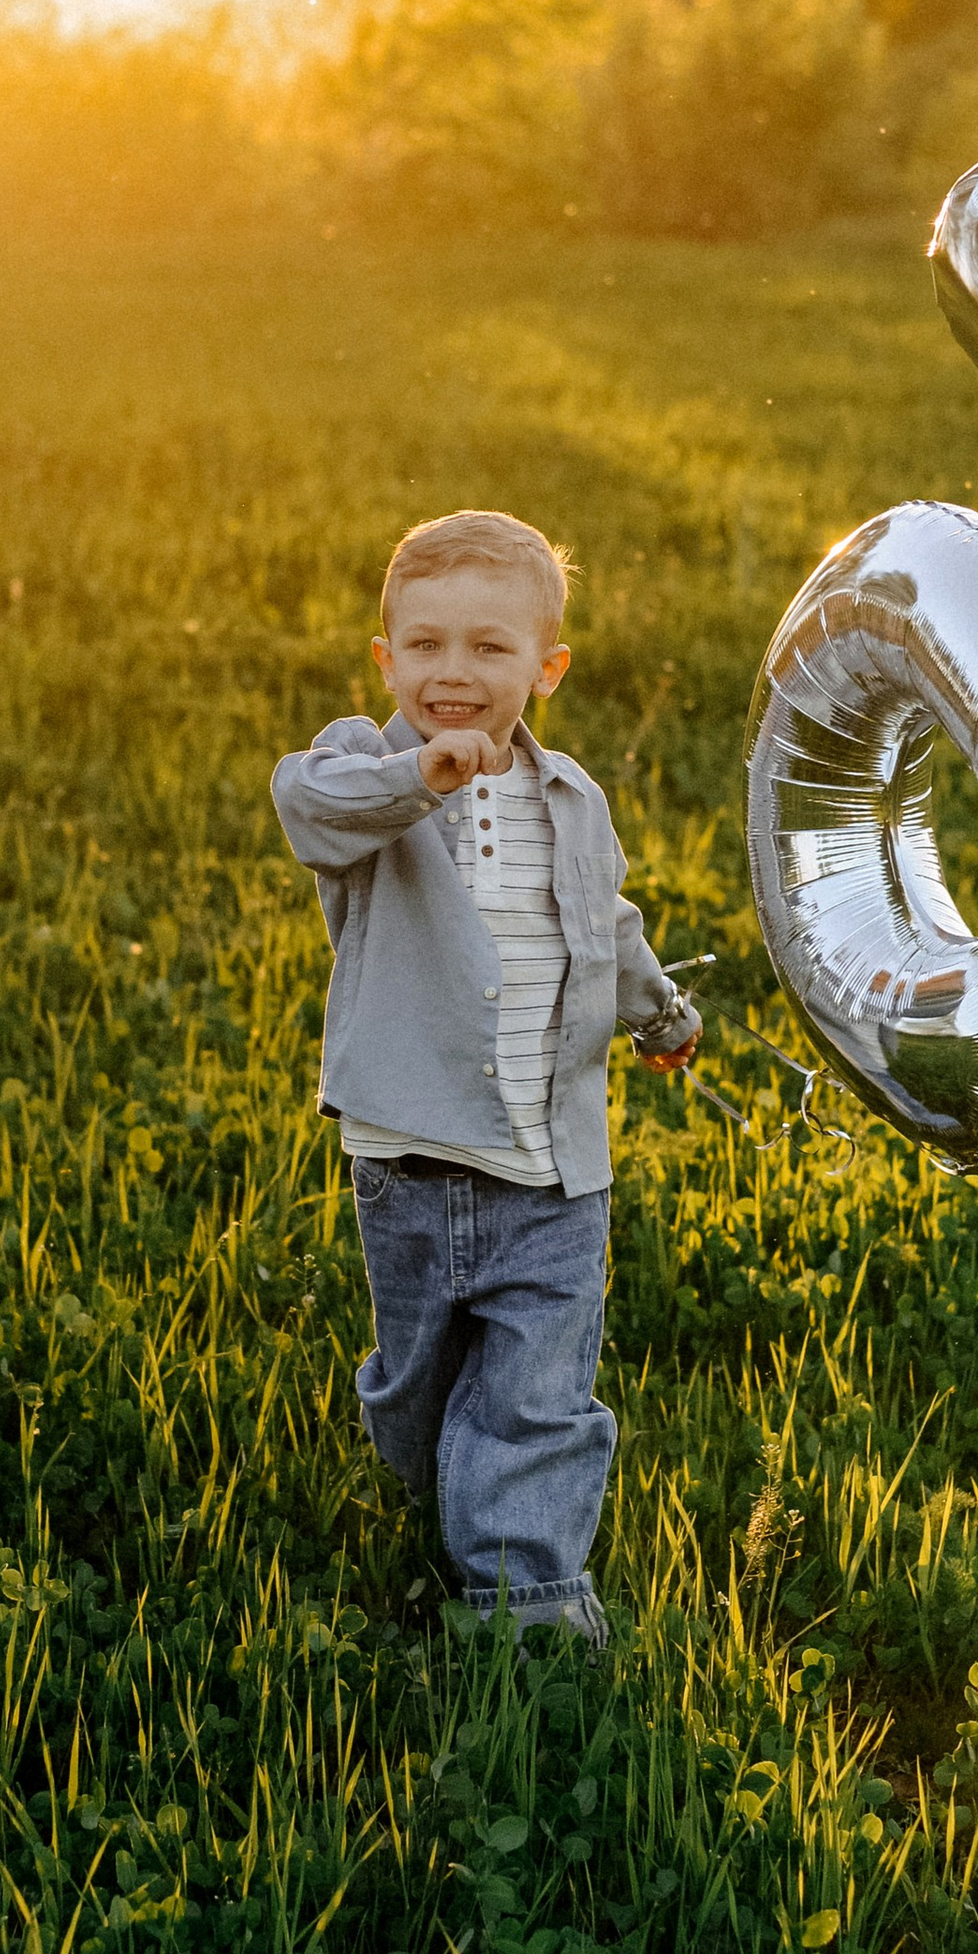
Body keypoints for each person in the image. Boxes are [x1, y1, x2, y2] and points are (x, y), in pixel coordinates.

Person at [270, 509, 702, 1649]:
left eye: (488, 648)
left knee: (539, 1393)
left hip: (551, 1168)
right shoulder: (360, 769)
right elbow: (308, 810)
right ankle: (437, 1482)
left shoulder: (572, 799)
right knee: (421, 1383)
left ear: (544, 668)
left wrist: (657, 1012)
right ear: (386, 660)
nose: (451, 672)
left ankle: (527, 1607)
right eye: (424, 647)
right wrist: (421, 771)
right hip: (409, 1155)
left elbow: (601, 920)